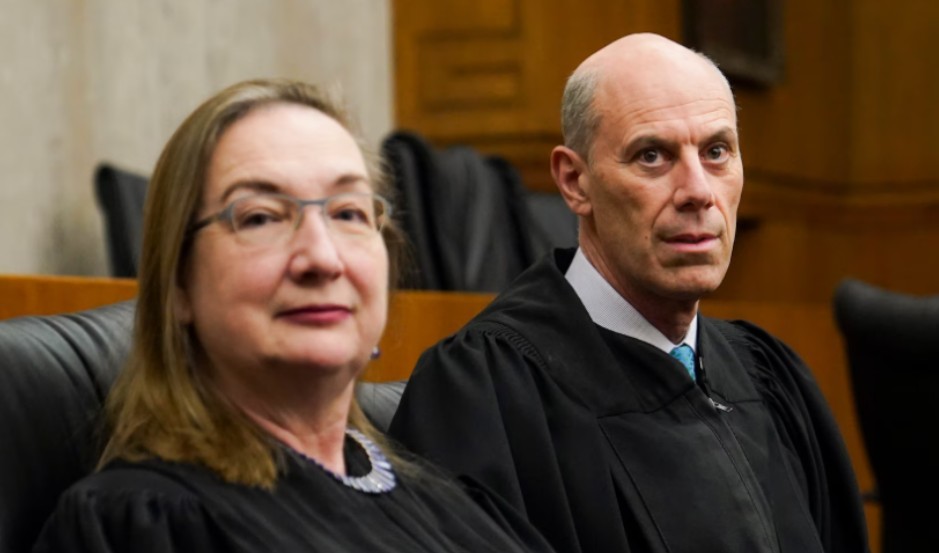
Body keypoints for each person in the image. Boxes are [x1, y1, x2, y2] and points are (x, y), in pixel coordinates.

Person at [389, 33, 870, 553]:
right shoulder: (484, 394)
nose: (698, 191)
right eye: (652, 156)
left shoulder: (769, 376)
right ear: (575, 181)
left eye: (716, 152)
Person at [32, 79, 555, 553]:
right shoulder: (140, 525)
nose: (322, 258)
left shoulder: (455, 500)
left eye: (349, 212)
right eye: (261, 217)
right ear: (177, 285)